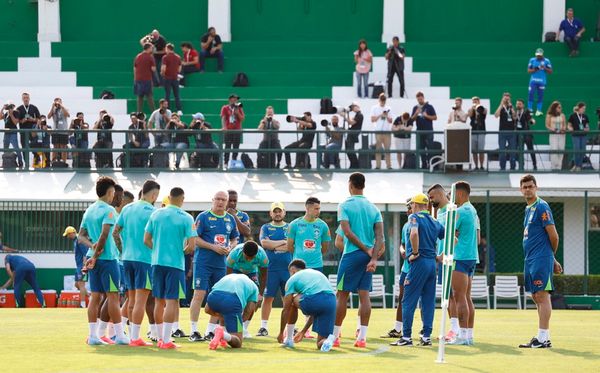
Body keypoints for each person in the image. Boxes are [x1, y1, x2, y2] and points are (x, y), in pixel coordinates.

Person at [333, 173, 384, 348]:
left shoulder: (344, 205)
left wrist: (364, 248)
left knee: (341, 295)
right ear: (363, 185)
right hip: (368, 256)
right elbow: (380, 236)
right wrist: (374, 258)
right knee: (364, 296)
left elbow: (346, 233)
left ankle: (335, 336)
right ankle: (361, 338)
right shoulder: (374, 208)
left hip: (352, 254)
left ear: (350, 185)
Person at [144, 187, 197, 349]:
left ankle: (159, 337)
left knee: (158, 301)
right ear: (182, 199)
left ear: (168, 197)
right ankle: (166, 340)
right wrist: (179, 252)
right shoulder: (187, 218)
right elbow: (192, 246)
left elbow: (146, 240)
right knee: (172, 301)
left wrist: (158, 250)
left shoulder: (156, 214)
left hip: (157, 263)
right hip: (175, 265)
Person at [79, 176, 129, 345]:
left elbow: (81, 236)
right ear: (109, 192)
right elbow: (105, 235)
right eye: (113, 192)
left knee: (95, 297)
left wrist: (91, 248)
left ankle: (93, 336)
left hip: (93, 259)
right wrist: (95, 255)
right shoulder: (109, 211)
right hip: (107, 259)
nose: (114, 196)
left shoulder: (89, 210)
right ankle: (120, 335)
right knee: (113, 297)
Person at [392, 193, 444, 347]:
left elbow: (414, 233)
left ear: (416, 205)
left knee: (408, 300)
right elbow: (452, 238)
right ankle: (426, 336)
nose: (411, 208)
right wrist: (440, 256)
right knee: (428, 301)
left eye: (412, 205)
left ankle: (406, 337)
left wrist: (414, 252)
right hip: (431, 264)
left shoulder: (413, 218)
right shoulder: (434, 221)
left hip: (419, 262)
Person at [113, 180, 160, 346]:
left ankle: (132, 336)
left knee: (131, 300)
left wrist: (121, 250)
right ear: (154, 195)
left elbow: (115, 232)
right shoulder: (153, 212)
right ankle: (135, 338)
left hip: (127, 259)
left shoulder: (127, 208)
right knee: (141, 301)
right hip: (144, 260)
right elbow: (154, 238)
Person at [189, 191, 239, 342]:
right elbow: (195, 239)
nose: (220, 202)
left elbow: (235, 238)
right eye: (218, 199)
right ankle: (194, 331)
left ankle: (210, 331)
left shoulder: (230, 219)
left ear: (227, 202)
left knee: (218, 296)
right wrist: (213, 247)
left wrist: (231, 247)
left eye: (223, 200)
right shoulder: (203, 217)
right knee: (199, 294)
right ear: (212, 200)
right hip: (203, 262)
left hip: (220, 264)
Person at [518, 174, 561, 348]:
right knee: (536, 296)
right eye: (525, 187)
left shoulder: (542, 206)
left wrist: (550, 257)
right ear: (521, 190)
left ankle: (543, 338)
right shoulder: (528, 209)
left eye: (530, 186)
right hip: (531, 259)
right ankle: (543, 337)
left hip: (540, 258)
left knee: (542, 296)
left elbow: (553, 236)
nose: (528, 189)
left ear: (536, 187)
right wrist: (554, 259)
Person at [278, 259, 337, 351]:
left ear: (292, 270)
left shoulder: (292, 279)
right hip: (331, 301)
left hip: (316, 299)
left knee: (292, 301)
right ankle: (327, 341)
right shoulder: (315, 273)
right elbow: (315, 312)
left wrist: (281, 332)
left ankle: (289, 339)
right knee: (320, 343)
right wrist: (303, 332)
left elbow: (286, 309)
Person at [447, 181, 479, 346]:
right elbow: (475, 237)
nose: (450, 197)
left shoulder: (460, 211)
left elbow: (446, 231)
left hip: (460, 257)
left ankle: (463, 336)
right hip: (472, 257)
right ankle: (468, 335)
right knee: (466, 297)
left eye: (452, 194)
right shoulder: (473, 210)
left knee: (459, 297)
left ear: (459, 194)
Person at [427, 184, 457, 341]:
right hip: (442, 260)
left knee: (454, 295)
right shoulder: (439, 214)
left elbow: (456, 236)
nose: (431, 201)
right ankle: (453, 329)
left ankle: (457, 329)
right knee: (448, 295)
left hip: (453, 259)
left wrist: (444, 254)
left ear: (440, 194)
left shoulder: (453, 210)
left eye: (432, 197)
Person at [257, 202, 290, 337]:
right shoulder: (265, 227)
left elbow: (291, 246)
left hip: (287, 269)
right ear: (270, 213)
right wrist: (282, 242)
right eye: (274, 211)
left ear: (284, 212)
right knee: (267, 298)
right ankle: (263, 327)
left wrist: (273, 245)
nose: (277, 213)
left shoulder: (290, 227)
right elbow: (264, 243)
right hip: (270, 269)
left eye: (279, 211)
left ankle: (289, 327)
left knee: (288, 299)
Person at [382, 199, 412, 339]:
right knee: (402, 298)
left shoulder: (424, 223)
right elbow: (402, 244)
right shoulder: (406, 225)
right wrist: (402, 250)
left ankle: (425, 331)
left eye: (410, 207)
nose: (408, 211)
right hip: (406, 267)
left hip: (418, 268)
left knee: (423, 300)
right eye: (407, 208)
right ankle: (398, 329)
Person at [226, 240, 269, 338]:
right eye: (247, 257)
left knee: (253, 300)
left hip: (251, 273)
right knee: (234, 299)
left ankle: (244, 328)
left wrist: (260, 295)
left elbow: (263, 276)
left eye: (252, 258)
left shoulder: (262, 256)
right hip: (236, 271)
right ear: (243, 252)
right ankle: (230, 326)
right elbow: (228, 275)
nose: (249, 260)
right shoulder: (234, 254)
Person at [205, 273, 259, 349]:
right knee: (238, 342)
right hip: (232, 300)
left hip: (213, 298)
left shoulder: (228, 277)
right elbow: (247, 313)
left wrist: (225, 316)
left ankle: (221, 338)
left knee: (224, 312)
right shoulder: (255, 288)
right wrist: (237, 323)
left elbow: (207, 309)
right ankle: (223, 334)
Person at [287, 197, 331, 273]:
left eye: (319, 209)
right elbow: (289, 247)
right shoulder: (294, 224)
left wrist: (313, 255)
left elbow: (325, 248)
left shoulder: (323, 226)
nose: (318, 211)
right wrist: (300, 254)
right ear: (307, 208)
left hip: (317, 265)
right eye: (316, 209)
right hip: (298, 266)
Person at [63, 226, 90, 308]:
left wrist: (84, 267)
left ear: (72, 233)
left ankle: (82, 305)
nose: (67, 237)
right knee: (76, 284)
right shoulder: (76, 240)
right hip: (78, 266)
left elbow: (85, 254)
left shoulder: (80, 240)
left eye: (68, 234)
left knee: (81, 285)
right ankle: (90, 296)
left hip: (82, 266)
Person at [411, 92, 438, 169]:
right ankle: (424, 164)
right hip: (419, 132)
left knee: (430, 148)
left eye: (421, 98)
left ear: (423, 97)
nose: (420, 100)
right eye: (418, 99)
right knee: (421, 148)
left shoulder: (429, 107)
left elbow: (435, 117)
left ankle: (431, 164)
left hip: (429, 131)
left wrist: (426, 116)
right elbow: (411, 120)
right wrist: (416, 113)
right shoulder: (415, 108)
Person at [16, 92, 41, 166]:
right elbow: (17, 120)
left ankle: (37, 159)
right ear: (22, 99)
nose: (26, 99)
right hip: (23, 131)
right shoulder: (19, 109)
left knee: (34, 145)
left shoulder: (34, 107)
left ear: (29, 99)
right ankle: (26, 163)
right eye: (24, 98)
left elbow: (39, 119)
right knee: (24, 147)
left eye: (27, 98)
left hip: (32, 131)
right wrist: (22, 120)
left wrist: (32, 119)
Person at [494, 93, 517, 171]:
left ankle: (513, 167)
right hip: (502, 132)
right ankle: (502, 167)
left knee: (512, 150)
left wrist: (511, 107)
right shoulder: (501, 107)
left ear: (510, 99)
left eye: (508, 98)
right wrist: (501, 104)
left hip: (511, 132)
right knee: (502, 150)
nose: (506, 99)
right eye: (505, 98)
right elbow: (496, 115)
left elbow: (515, 117)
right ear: (503, 98)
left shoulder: (511, 107)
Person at [527, 49, 553, 116]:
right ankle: (530, 109)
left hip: (542, 81)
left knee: (540, 95)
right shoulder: (532, 60)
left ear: (542, 54)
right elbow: (529, 71)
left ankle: (539, 110)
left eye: (540, 55)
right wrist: (536, 68)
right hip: (533, 80)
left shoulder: (547, 61)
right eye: (537, 55)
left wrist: (544, 68)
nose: (538, 57)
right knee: (531, 93)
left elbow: (550, 72)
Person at [370, 93, 393, 169]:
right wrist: (380, 115)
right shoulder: (374, 108)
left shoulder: (389, 108)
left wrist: (386, 116)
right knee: (378, 149)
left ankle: (389, 166)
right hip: (378, 131)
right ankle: (378, 166)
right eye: (381, 100)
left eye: (384, 100)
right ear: (379, 100)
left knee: (387, 150)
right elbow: (372, 120)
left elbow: (390, 121)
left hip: (387, 131)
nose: (383, 102)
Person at [221, 94, 245, 165]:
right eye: (234, 99)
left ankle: (234, 162)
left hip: (237, 130)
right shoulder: (225, 108)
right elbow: (223, 118)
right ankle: (226, 162)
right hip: (228, 130)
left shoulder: (239, 108)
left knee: (236, 147)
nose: (235, 100)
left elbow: (242, 119)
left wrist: (237, 113)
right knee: (227, 146)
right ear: (230, 100)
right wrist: (224, 127)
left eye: (236, 99)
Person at [515, 99, 537, 171]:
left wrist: (532, 121)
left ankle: (534, 165)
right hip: (518, 134)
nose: (518, 105)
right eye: (517, 104)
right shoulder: (514, 112)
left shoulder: (526, 111)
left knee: (531, 149)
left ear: (523, 105)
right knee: (519, 150)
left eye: (520, 104)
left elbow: (530, 119)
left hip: (526, 133)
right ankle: (521, 165)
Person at [134, 44, 156, 113]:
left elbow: (135, 68)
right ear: (148, 48)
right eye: (151, 48)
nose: (152, 49)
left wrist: (135, 78)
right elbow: (153, 69)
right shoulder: (150, 57)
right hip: (147, 79)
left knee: (140, 97)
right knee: (149, 96)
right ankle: (153, 112)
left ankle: (139, 112)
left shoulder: (138, 56)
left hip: (138, 79)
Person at [567, 102, 590, 172]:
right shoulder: (572, 116)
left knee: (582, 151)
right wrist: (570, 128)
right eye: (583, 108)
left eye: (585, 109)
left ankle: (578, 166)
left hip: (583, 135)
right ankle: (577, 165)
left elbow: (587, 126)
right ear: (579, 108)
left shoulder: (585, 116)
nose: (584, 110)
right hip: (575, 135)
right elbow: (569, 125)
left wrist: (587, 129)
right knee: (577, 150)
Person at [161, 44, 182, 115]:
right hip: (175, 78)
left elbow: (164, 68)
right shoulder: (178, 57)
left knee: (167, 94)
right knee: (177, 94)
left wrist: (163, 73)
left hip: (167, 78)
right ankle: (179, 109)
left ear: (168, 49)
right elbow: (179, 69)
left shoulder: (165, 57)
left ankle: (167, 109)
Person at [545, 101, 567, 171]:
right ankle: (554, 166)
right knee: (554, 149)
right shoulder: (549, 115)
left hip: (561, 135)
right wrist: (553, 129)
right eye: (559, 107)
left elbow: (564, 124)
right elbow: (547, 125)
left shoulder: (562, 115)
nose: (560, 109)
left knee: (561, 149)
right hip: (553, 134)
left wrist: (563, 129)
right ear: (555, 108)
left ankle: (559, 167)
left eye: (561, 107)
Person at [1, 101, 23, 168]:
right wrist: (2, 109)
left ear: (14, 106)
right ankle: (4, 163)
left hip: (13, 132)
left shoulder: (16, 112)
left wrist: (11, 114)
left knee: (16, 148)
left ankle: (20, 163)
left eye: (11, 106)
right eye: (9, 106)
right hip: (6, 133)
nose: (10, 108)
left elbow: (16, 122)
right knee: (5, 148)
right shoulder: (6, 113)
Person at [47, 97, 70, 162]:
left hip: (63, 131)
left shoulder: (64, 109)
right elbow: (48, 117)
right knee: (55, 147)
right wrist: (52, 107)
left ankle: (64, 161)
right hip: (55, 131)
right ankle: (53, 161)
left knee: (64, 147)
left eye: (59, 102)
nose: (57, 103)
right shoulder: (53, 109)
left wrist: (61, 106)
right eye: (56, 102)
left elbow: (67, 115)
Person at [467, 97, 487, 170]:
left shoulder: (482, 108)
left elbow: (485, 112)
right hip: (473, 132)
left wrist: (478, 107)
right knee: (474, 150)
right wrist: (473, 109)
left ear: (479, 101)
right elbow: (469, 115)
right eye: (473, 101)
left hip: (481, 131)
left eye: (476, 101)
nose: (475, 102)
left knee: (481, 150)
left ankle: (481, 165)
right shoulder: (471, 109)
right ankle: (476, 166)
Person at [344, 103, 363, 169]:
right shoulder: (357, 115)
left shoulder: (359, 115)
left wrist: (344, 116)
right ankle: (353, 164)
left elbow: (352, 122)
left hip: (353, 134)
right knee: (348, 150)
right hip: (351, 134)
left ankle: (355, 165)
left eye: (353, 107)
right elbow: (350, 122)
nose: (352, 109)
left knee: (350, 150)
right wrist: (347, 115)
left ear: (357, 107)